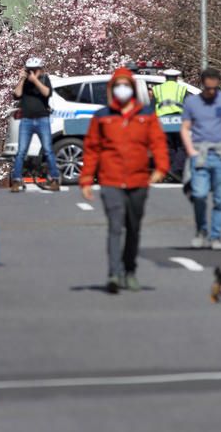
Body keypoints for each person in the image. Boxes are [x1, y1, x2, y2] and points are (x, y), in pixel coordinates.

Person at [80, 68, 169, 294]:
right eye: (117, 85)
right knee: (115, 226)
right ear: (112, 89)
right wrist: (87, 179)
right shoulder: (102, 116)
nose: (122, 89)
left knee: (133, 228)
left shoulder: (146, 115)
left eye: (126, 85)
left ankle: (130, 271)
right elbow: (91, 148)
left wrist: (161, 167)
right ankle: (114, 272)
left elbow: (157, 142)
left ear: (131, 88)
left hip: (138, 180)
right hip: (110, 180)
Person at [181, 68, 221, 251]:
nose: (211, 92)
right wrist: (190, 150)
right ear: (203, 84)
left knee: (220, 198)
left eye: (214, 88)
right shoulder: (191, 102)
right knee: (198, 195)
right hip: (200, 153)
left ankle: (216, 236)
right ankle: (201, 230)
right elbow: (185, 128)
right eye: (208, 89)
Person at [11, 57, 61, 192]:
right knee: (21, 152)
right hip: (26, 120)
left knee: (48, 150)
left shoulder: (45, 79)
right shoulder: (25, 82)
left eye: (35, 70)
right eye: (29, 70)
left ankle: (55, 179)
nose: (32, 73)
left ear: (41, 70)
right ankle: (16, 180)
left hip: (42, 119)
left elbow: (47, 93)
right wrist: (22, 79)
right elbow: (16, 94)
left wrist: (36, 81)